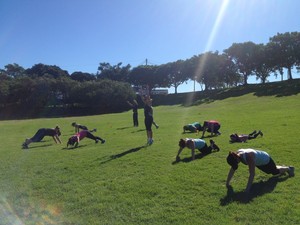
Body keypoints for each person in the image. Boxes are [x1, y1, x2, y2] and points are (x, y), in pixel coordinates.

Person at [226, 149, 295, 193]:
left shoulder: (248, 157)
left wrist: (247, 190)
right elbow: (232, 170)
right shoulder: (237, 155)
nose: (236, 164)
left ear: (236, 159)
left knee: (275, 172)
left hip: (265, 159)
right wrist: (227, 183)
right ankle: (280, 167)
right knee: (270, 171)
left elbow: (252, 174)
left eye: (235, 163)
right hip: (258, 161)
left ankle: (289, 168)